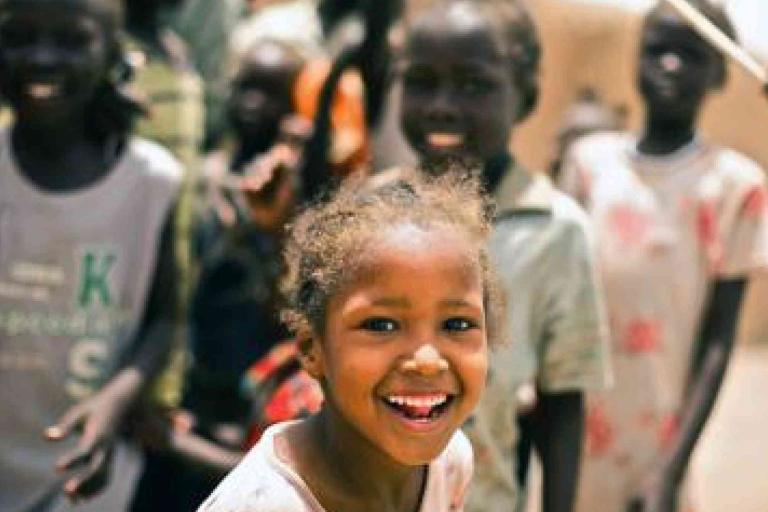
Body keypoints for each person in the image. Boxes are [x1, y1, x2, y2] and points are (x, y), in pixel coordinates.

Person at [398, 1, 611, 511]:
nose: (443, 105)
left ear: (525, 97)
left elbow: (562, 401)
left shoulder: (554, 231)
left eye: (474, 85)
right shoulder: (369, 214)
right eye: (421, 81)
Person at [559, 3, 768, 511]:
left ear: (719, 74)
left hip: (657, 448)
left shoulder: (735, 187)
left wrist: (669, 470)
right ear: (636, 58)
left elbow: (719, 341)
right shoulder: (589, 164)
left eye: (690, 54)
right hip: (572, 437)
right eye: (658, 50)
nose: (670, 65)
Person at [198, 167, 501, 511]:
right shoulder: (264, 504)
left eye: (457, 325)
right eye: (382, 325)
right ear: (312, 349)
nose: (428, 361)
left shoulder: (449, 463)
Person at [0, 0, 182, 510]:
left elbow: (164, 320)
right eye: (18, 37)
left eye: (71, 40)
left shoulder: (151, 184)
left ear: (113, 56)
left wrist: (116, 400)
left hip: (86, 475)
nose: (41, 57)